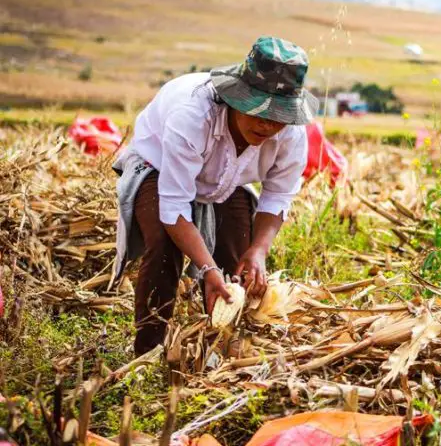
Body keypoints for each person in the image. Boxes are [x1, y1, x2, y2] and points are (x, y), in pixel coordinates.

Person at [112, 36, 317, 355]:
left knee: (240, 258)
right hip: (158, 166)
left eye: (278, 116)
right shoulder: (192, 114)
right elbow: (174, 207)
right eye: (258, 111)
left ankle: (221, 347)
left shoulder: (291, 134)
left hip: (228, 179)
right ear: (237, 98)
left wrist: (259, 250)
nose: (267, 125)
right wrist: (206, 269)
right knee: (165, 245)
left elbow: (277, 196)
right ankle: (148, 351)